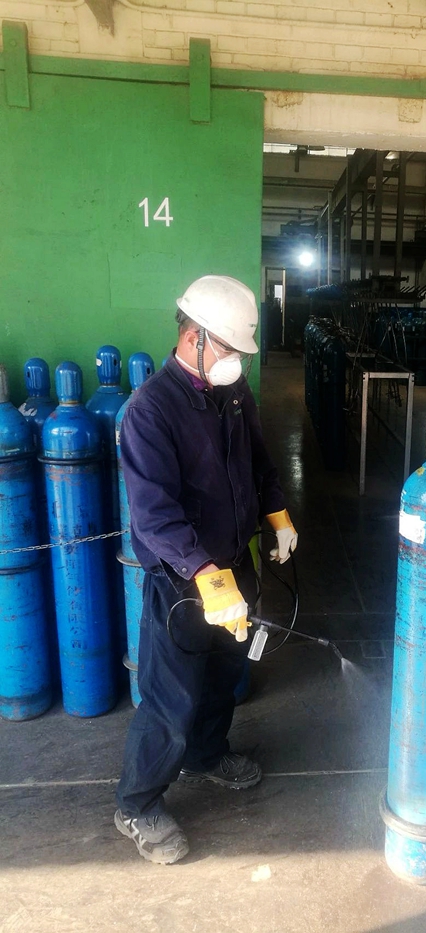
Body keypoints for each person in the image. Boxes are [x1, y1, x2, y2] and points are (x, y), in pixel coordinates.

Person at [114, 275, 298, 865]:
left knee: (223, 675)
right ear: (193, 337)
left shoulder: (233, 393)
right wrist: (208, 577)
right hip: (184, 583)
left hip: (234, 568)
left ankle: (206, 755)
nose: (237, 362)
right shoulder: (149, 411)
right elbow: (154, 516)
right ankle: (137, 804)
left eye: (243, 352)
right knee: (171, 699)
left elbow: (260, 462)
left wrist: (277, 515)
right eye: (229, 348)